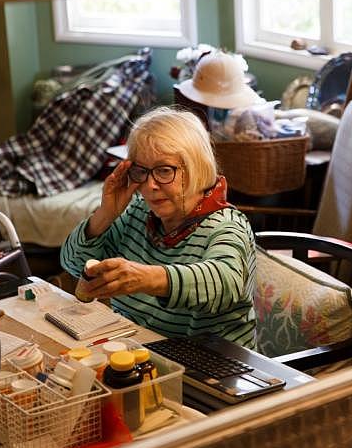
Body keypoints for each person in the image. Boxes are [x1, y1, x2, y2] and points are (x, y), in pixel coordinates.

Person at [60, 107, 257, 348]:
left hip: (215, 365)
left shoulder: (226, 225)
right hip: (144, 352)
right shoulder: (138, 212)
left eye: (164, 170)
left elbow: (225, 282)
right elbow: (72, 264)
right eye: (142, 171)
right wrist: (105, 214)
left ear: (195, 167)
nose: (150, 185)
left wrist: (144, 278)